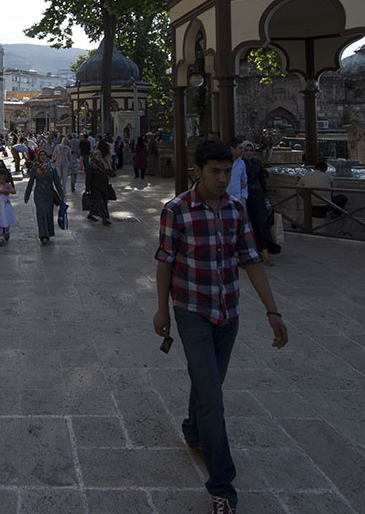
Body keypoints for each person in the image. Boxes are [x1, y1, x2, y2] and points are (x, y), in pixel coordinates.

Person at [154, 140, 287, 514]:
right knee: (212, 394)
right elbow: (165, 261)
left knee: (209, 382)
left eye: (227, 172)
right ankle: (223, 487)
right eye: (215, 172)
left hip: (228, 311)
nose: (222, 179)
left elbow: (250, 260)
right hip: (192, 310)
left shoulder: (235, 210)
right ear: (198, 171)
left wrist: (272, 311)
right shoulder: (176, 211)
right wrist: (161, 310)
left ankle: (194, 430)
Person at [241, 142, 279, 265]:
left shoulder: (256, 163)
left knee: (262, 224)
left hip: (258, 196)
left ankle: (265, 252)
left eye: (250, 150)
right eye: (246, 150)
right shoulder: (240, 164)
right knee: (251, 224)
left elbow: (261, 179)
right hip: (247, 197)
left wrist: (266, 195)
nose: (248, 153)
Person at [24, 148, 65, 243]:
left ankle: (48, 233)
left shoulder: (51, 167)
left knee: (48, 214)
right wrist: (27, 196)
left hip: (49, 194)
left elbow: (57, 182)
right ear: (38, 156)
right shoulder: (35, 168)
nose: (43, 157)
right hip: (39, 194)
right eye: (41, 155)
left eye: (44, 155)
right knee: (41, 213)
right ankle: (43, 235)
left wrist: (61, 194)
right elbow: (30, 183)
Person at [85, 141, 116, 226]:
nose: (99, 157)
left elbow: (104, 173)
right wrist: (87, 188)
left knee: (98, 202)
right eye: (97, 155)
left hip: (103, 185)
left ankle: (90, 214)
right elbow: (88, 178)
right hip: (95, 187)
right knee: (100, 202)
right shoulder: (91, 165)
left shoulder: (101, 164)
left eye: (100, 155)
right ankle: (104, 219)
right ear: (94, 156)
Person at [228, 136, 248, 203]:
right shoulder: (223, 163)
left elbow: (244, 180)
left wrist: (243, 196)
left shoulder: (241, 163)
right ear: (232, 149)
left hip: (238, 199)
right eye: (240, 148)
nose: (242, 151)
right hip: (224, 198)